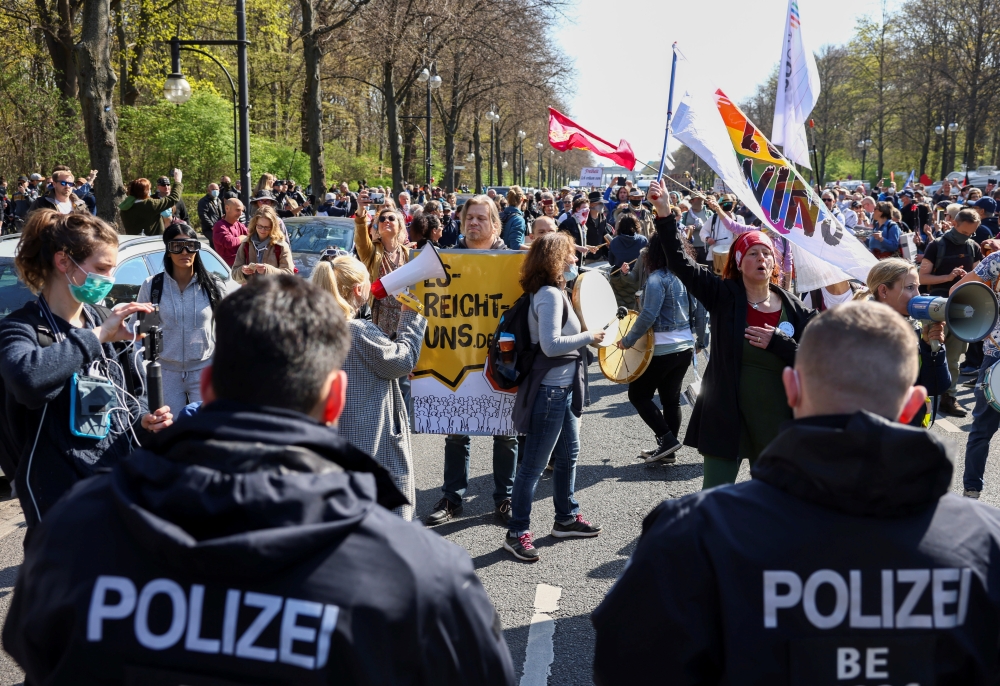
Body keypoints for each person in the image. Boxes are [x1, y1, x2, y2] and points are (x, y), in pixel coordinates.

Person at [2, 274, 515, 685]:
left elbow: (34, 648)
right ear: (334, 400)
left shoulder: (75, 528)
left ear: (206, 384)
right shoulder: (418, 573)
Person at [592, 301, 1000, 685]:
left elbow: (628, 667)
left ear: (791, 387)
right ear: (913, 404)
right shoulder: (986, 541)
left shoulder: (694, 535)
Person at [0, 211, 173, 530]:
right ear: (63, 262)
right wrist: (97, 337)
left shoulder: (101, 319)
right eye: (101, 268)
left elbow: (124, 402)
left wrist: (145, 422)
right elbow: (27, 379)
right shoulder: (21, 330)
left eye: (112, 269)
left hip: (116, 490)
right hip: (60, 505)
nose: (108, 279)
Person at [647, 180, 814, 489]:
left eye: (766, 253)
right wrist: (664, 211)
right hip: (727, 415)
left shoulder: (794, 306)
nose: (761, 259)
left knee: (774, 503)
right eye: (752, 253)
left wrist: (782, 344)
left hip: (777, 420)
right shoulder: (723, 294)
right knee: (715, 500)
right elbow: (681, 263)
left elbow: (818, 357)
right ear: (739, 261)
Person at [503, 232, 603, 562]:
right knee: (533, 465)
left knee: (568, 454)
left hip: (563, 387)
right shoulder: (548, 294)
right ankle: (517, 532)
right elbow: (550, 345)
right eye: (570, 255)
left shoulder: (556, 292)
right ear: (556, 260)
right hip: (551, 391)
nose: (576, 260)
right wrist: (590, 336)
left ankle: (566, 517)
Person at [426, 196, 521, 527]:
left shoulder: (513, 261)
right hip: (458, 354)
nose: (474, 223)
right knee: (456, 429)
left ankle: (505, 498)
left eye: (482, 218)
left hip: (502, 358)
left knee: (506, 431)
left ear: (495, 222)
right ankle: (452, 498)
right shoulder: (446, 260)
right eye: (470, 218)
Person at [312, 256, 426, 521]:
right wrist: (410, 318)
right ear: (358, 291)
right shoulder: (358, 330)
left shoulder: (314, 327)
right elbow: (403, 361)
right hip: (370, 438)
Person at [618, 231, 699, 463]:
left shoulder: (656, 279)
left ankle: (667, 439)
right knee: (670, 400)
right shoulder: (687, 274)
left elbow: (648, 316)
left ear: (652, 252)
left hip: (662, 348)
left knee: (638, 394)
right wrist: (700, 340)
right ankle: (668, 451)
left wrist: (627, 340)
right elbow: (701, 310)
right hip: (685, 346)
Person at [137, 224, 226, 415]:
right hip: (166, 373)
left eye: (191, 246)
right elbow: (143, 332)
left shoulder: (212, 286)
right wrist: (144, 371)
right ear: (168, 251)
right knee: (169, 431)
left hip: (204, 370)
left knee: (206, 428)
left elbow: (227, 329)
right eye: (177, 246)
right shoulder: (153, 286)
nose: (184, 251)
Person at [865, 258, 950, 427]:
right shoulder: (862, 330)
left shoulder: (914, 325)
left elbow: (936, 386)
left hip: (910, 427)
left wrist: (931, 348)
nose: (917, 295)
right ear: (883, 291)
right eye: (910, 287)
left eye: (918, 287)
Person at [919, 207, 983, 417]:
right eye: (964, 232)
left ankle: (949, 397)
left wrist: (968, 277)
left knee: (954, 358)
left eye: (971, 233)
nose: (967, 237)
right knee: (928, 353)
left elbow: (980, 275)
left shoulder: (973, 247)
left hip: (962, 309)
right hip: (935, 308)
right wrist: (947, 277)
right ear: (954, 224)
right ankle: (921, 398)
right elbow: (922, 278)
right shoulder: (936, 246)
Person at [354, 192, 409, 337]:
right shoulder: (371, 251)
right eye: (382, 219)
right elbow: (360, 239)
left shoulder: (409, 254)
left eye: (391, 218)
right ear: (377, 226)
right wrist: (360, 210)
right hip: (378, 317)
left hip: (404, 316)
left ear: (400, 226)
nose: (386, 221)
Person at [231, 205, 295, 284]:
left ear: (273, 227)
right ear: (255, 224)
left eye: (266, 227)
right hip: (252, 293)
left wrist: (267, 270)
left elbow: (289, 275)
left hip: (273, 294)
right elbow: (234, 274)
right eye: (259, 226)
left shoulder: (281, 246)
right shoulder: (246, 244)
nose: (262, 230)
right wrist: (243, 271)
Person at [119, 169, 183, 236]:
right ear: (146, 191)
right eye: (149, 189)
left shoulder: (125, 207)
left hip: (133, 242)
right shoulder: (150, 204)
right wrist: (178, 181)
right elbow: (173, 198)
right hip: (151, 242)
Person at [607, 215, 648, 308]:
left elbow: (611, 262)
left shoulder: (614, 241)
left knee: (620, 305)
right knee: (636, 306)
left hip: (618, 278)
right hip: (637, 277)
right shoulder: (643, 240)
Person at [211, 197, 249, 267]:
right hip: (227, 267)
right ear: (227, 208)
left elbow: (252, 235)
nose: (241, 214)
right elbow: (229, 242)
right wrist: (242, 238)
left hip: (242, 263)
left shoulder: (239, 225)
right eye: (237, 210)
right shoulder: (219, 226)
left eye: (242, 210)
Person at [196, 182, 223, 249]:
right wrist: (212, 226)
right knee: (215, 242)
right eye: (213, 189)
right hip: (209, 228)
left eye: (216, 189)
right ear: (208, 191)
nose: (215, 191)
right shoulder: (203, 201)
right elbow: (203, 215)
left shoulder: (219, 200)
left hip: (219, 227)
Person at [500, 186, 527, 250]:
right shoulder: (519, 220)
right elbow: (515, 246)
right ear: (522, 199)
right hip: (511, 258)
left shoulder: (499, 215)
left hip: (497, 256)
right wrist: (535, 249)